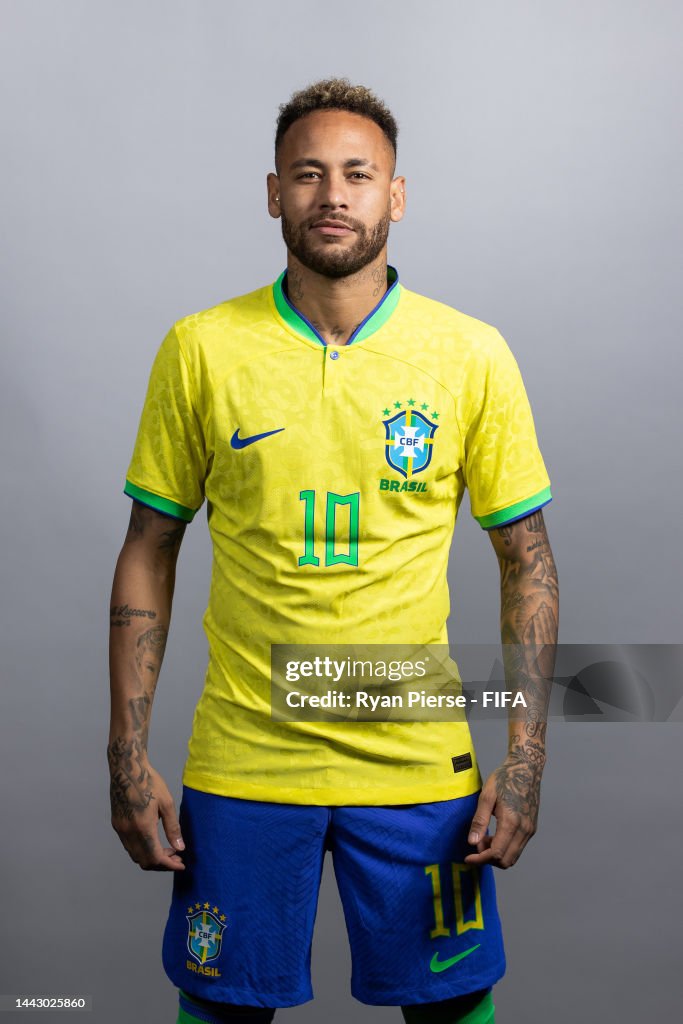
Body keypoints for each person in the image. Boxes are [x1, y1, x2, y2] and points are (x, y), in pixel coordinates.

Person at [108, 78, 559, 1024]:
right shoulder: (202, 348)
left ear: (396, 195)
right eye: (308, 173)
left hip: (415, 762)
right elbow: (149, 546)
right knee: (223, 1008)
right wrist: (127, 750)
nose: (333, 194)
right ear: (273, 193)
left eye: (358, 173)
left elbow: (527, 562)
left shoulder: (470, 353)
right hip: (243, 761)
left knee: (449, 1008)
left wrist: (522, 761)